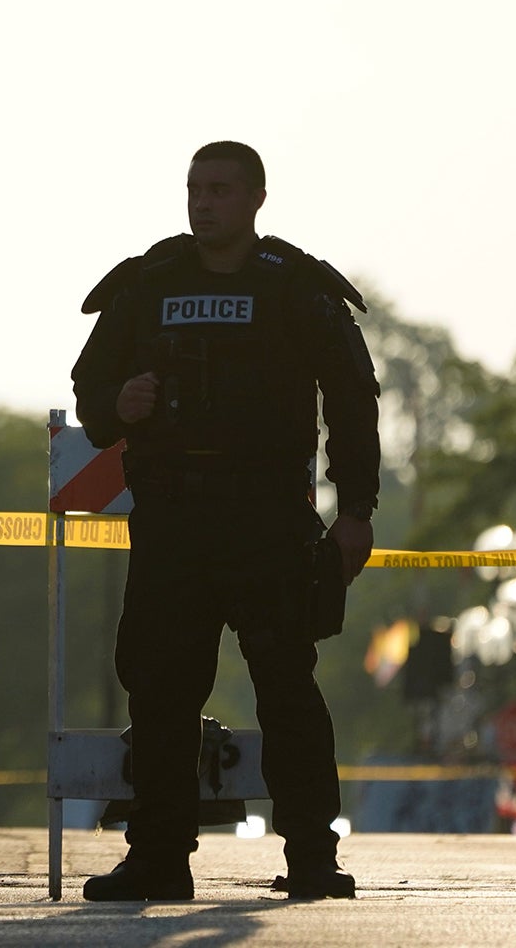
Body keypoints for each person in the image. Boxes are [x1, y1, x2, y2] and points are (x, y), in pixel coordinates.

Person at [70, 140, 378, 901]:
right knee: (160, 692)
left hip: (267, 521)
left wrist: (356, 512)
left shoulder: (296, 290)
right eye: (194, 188)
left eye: (220, 189)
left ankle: (311, 856)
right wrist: (118, 407)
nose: (203, 202)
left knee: (286, 687)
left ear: (256, 199)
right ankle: (158, 858)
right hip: (173, 522)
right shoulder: (149, 285)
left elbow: (352, 401)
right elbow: (90, 390)